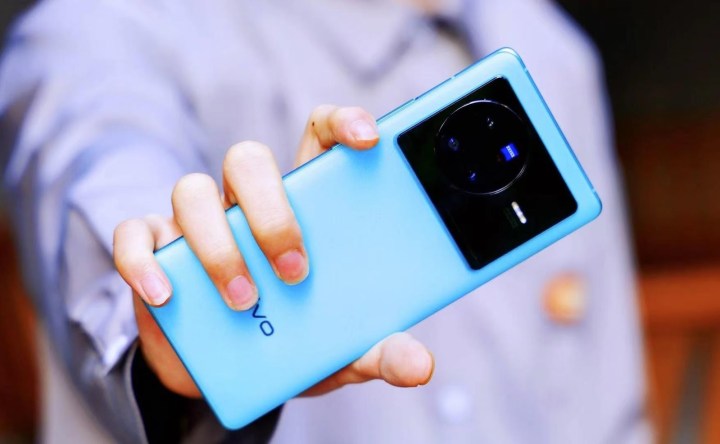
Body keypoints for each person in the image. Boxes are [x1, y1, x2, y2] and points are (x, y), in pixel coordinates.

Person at [0, 0, 649, 442]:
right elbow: (106, 169)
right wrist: (168, 333)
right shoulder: (107, 30)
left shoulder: (551, 49)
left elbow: (608, 403)